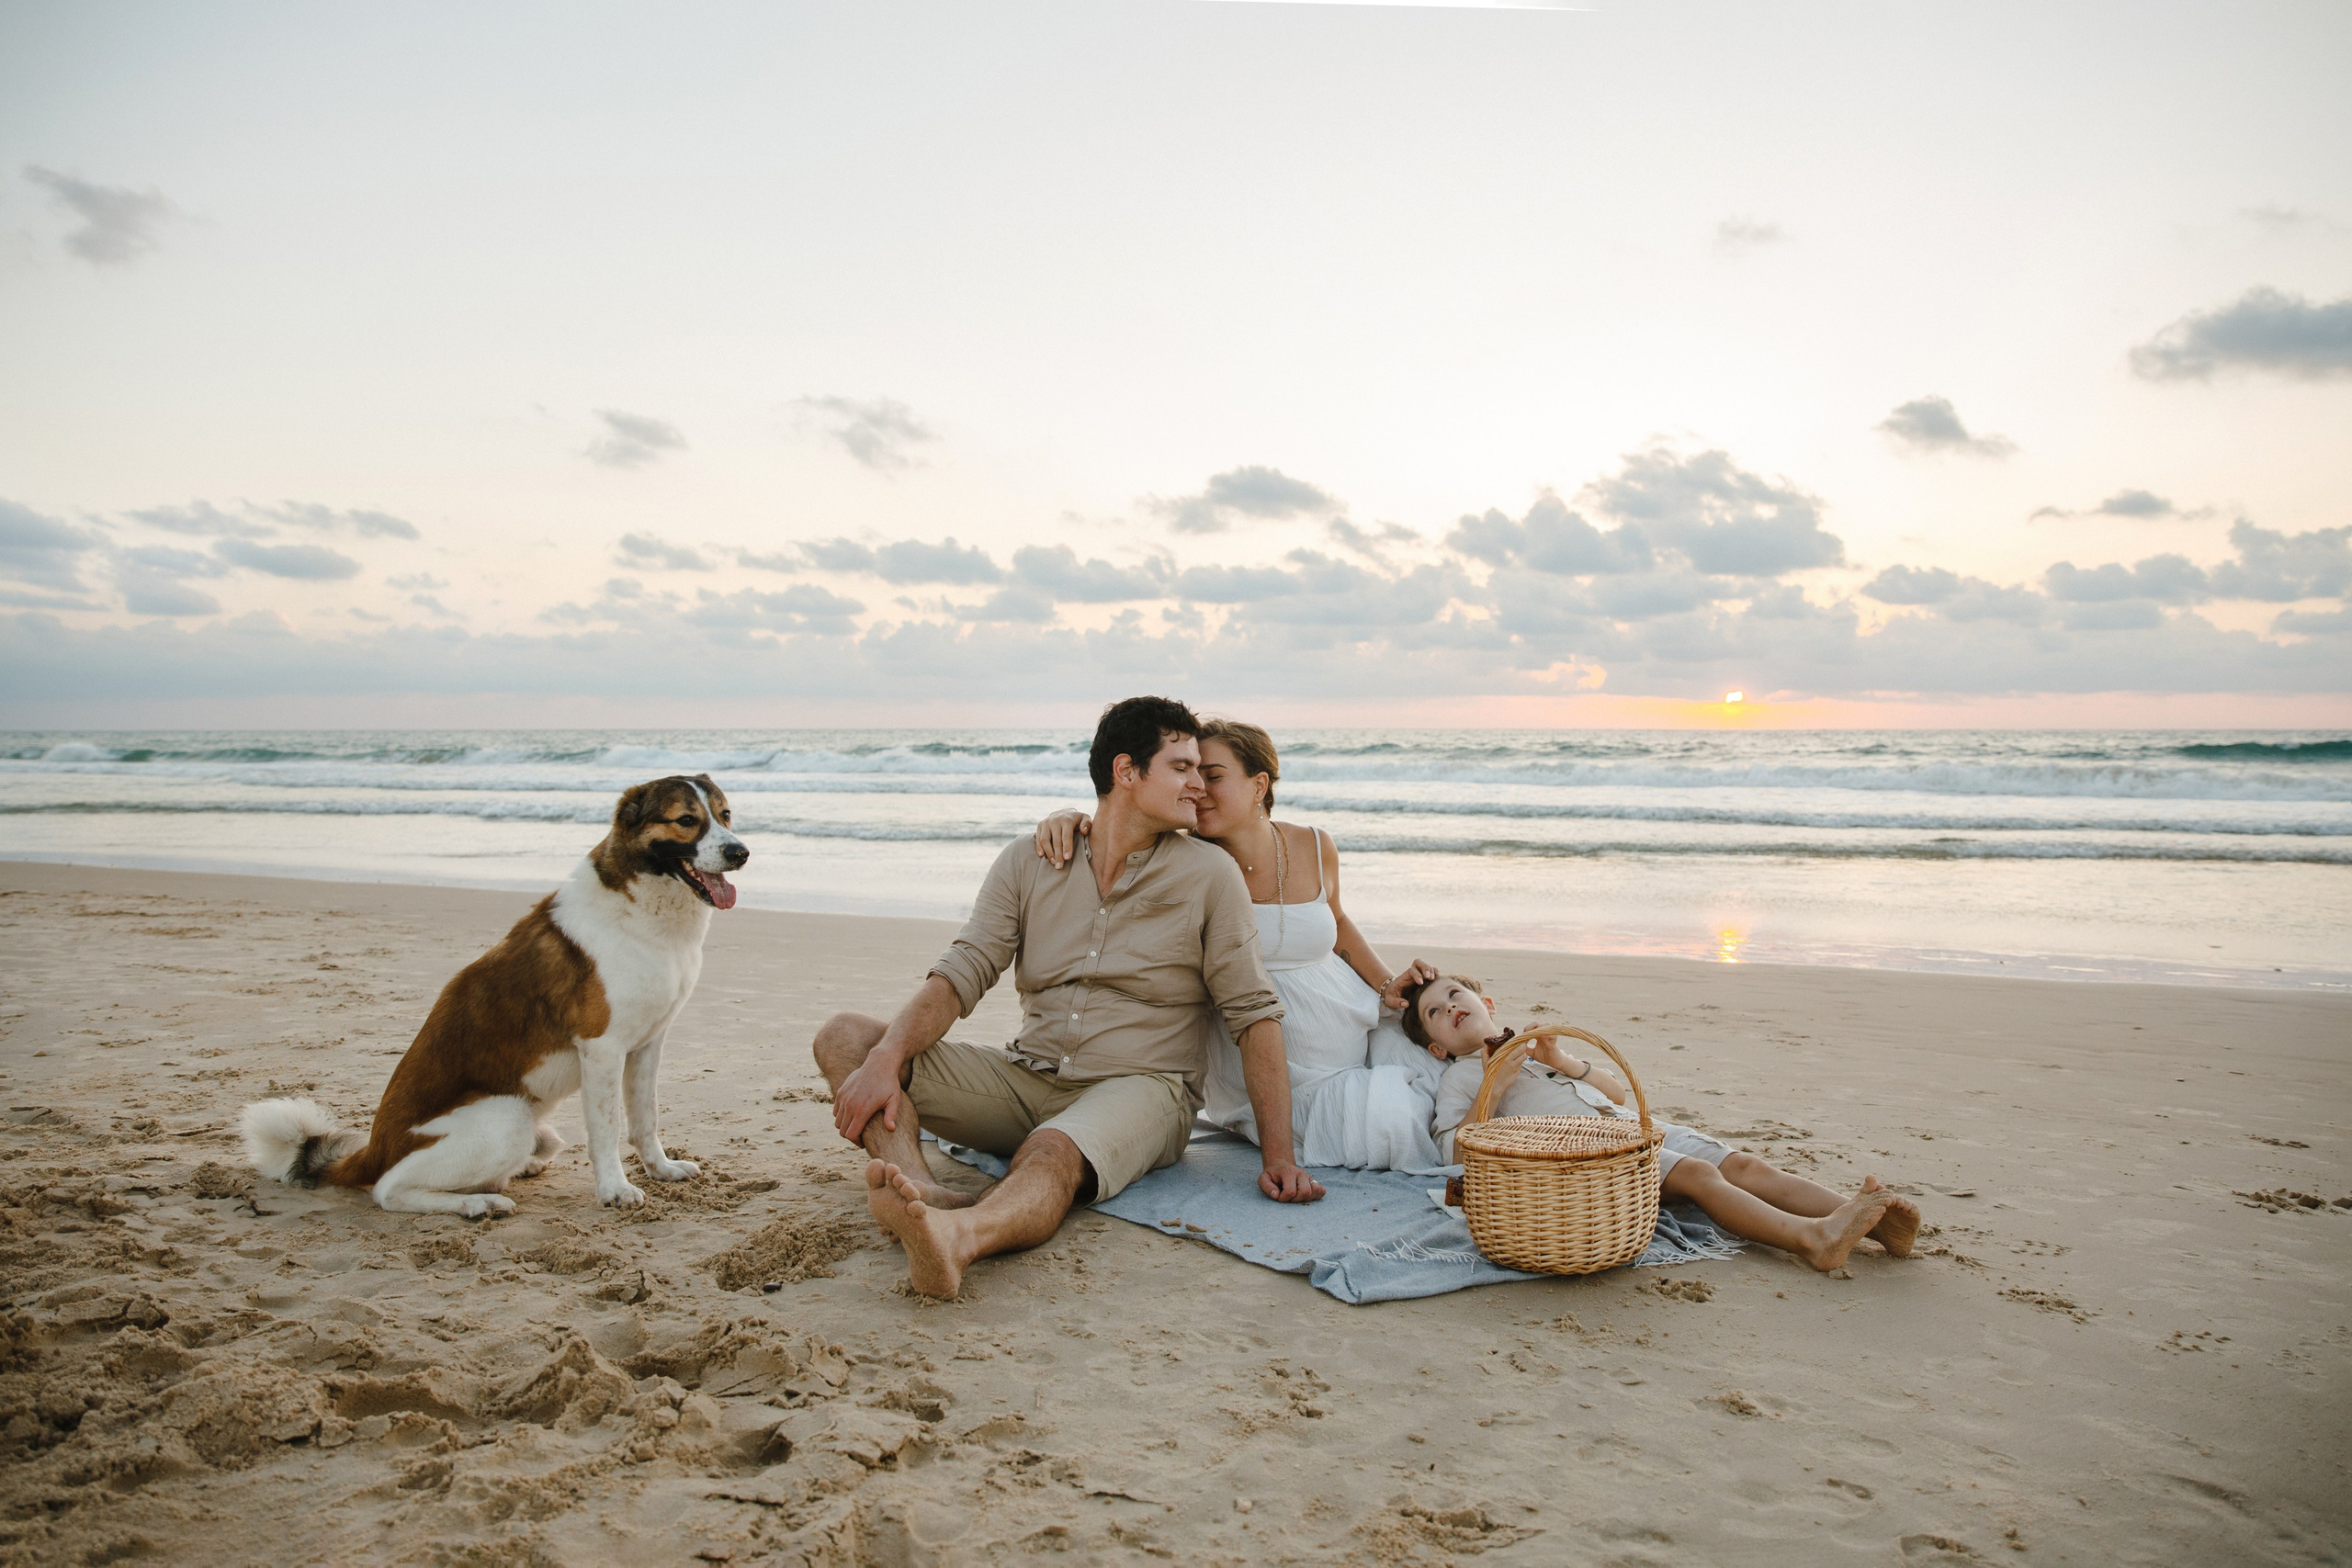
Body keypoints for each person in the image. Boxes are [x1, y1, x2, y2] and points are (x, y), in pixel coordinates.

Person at [814, 696, 1325, 1300]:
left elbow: (1253, 1013)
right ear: (1127, 771)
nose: (1199, 785)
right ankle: (923, 1192)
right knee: (846, 1038)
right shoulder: (1031, 860)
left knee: (1051, 1150)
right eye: (1182, 767)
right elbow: (964, 970)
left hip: (1143, 1086)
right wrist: (886, 1056)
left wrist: (1280, 1157)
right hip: (1028, 1074)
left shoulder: (1210, 877)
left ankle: (962, 1235)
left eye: (1201, 769)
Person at [1034, 719, 1444, 1172]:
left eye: (1212, 776)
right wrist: (1068, 819)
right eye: (1189, 775)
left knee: (1452, 1066)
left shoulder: (1313, 843)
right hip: (1274, 1062)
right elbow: (1115, 833)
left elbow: (1338, 920)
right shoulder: (1176, 858)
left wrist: (1386, 983)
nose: (1197, 788)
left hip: (1354, 1016)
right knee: (1394, 1121)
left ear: (1259, 784)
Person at [1403, 973, 1922, 1273]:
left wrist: (1560, 1060)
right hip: (1596, 1157)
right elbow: (1456, 1153)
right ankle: (1811, 1238)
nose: (1450, 1008)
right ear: (1436, 1047)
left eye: (1455, 995)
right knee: (1698, 1177)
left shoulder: (1538, 1046)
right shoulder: (1460, 1080)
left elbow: (1615, 1092)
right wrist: (1493, 1081)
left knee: (1744, 1163)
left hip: (1631, 1125)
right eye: (1434, 1013)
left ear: (1485, 1002)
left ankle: (1867, 1220)